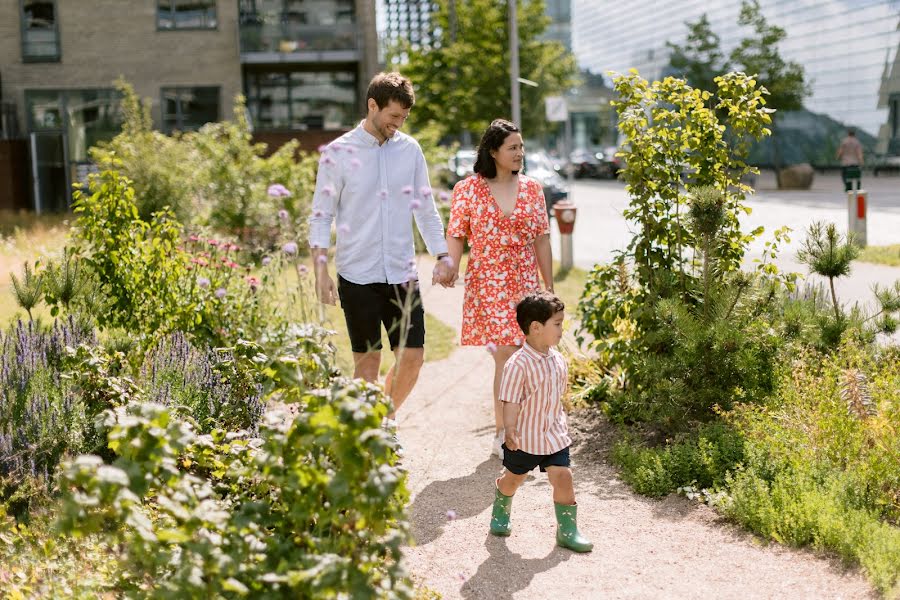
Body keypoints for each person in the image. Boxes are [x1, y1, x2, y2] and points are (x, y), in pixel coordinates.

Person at [308, 72, 456, 423]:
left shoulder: (410, 150)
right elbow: (320, 215)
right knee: (368, 363)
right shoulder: (338, 153)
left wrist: (443, 255)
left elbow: (425, 208)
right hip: (356, 274)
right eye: (393, 116)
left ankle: (382, 421)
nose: (398, 124)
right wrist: (320, 269)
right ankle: (369, 437)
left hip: (401, 273)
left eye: (403, 118)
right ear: (372, 105)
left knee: (413, 356)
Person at [442, 119, 553, 459]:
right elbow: (457, 233)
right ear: (493, 151)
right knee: (506, 357)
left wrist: (549, 287)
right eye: (513, 148)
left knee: (530, 356)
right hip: (488, 281)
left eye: (521, 147)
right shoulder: (468, 189)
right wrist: (451, 265)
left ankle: (530, 428)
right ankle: (504, 434)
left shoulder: (533, 189)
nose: (520, 153)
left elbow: (542, 238)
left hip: (523, 281)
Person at [488, 291, 592, 553]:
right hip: (525, 437)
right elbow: (510, 401)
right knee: (514, 479)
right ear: (536, 328)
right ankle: (501, 506)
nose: (561, 329)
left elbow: (558, 395)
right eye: (557, 324)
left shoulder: (558, 359)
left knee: (563, 477)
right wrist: (509, 429)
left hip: (554, 436)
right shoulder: (517, 364)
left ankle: (567, 530)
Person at [837, 127, 864, 192]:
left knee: (845, 176)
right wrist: (861, 161)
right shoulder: (857, 142)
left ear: (848, 134)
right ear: (854, 134)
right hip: (855, 162)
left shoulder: (844, 141)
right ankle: (856, 188)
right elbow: (859, 153)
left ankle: (847, 187)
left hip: (845, 163)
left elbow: (841, 151)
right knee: (856, 177)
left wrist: (838, 157)